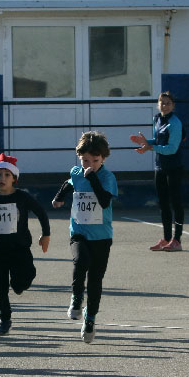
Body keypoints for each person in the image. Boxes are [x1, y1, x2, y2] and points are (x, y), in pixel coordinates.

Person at [52, 132, 117, 343]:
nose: (89, 165)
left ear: (103, 159)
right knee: (80, 261)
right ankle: (77, 297)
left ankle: (90, 318)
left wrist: (92, 177)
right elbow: (70, 182)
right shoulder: (78, 172)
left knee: (96, 280)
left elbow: (105, 201)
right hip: (79, 231)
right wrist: (59, 197)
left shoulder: (107, 177)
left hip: (101, 237)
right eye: (85, 160)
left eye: (94, 161)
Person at [0, 154, 51, 335]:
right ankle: (4, 319)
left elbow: (41, 212)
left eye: (6, 175)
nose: (2, 178)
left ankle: (20, 284)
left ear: (14, 178)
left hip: (19, 248)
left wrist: (45, 234)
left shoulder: (22, 197)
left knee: (22, 280)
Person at [132, 92, 184, 252]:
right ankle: (167, 238)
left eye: (168, 103)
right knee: (163, 204)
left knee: (176, 203)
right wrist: (146, 143)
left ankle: (177, 240)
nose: (165, 105)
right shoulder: (156, 119)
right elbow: (158, 140)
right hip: (160, 167)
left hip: (174, 167)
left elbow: (172, 147)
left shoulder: (175, 123)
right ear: (158, 104)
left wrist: (151, 147)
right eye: (162, 102)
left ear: (173, 105)